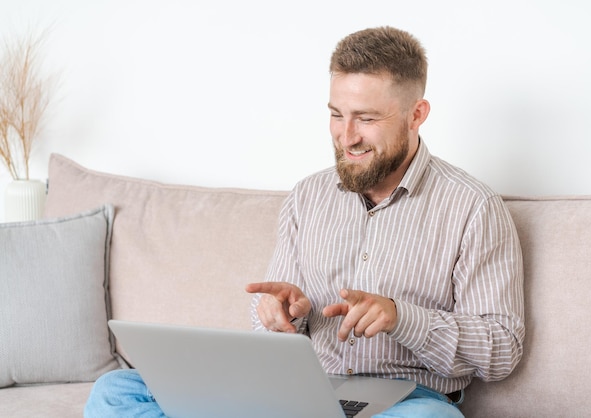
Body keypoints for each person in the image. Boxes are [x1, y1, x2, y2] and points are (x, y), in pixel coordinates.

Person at [84, 26, 524, 418]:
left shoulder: (473, 207)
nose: (346, 136)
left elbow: (502, 349)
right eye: (336, 114)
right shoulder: (308, 196)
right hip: (303, 392)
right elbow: (273, 326)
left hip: (408, 399)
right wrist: (284, 319)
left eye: (367, 119)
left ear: (416, 114)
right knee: (115, 392)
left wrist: (400, 318)